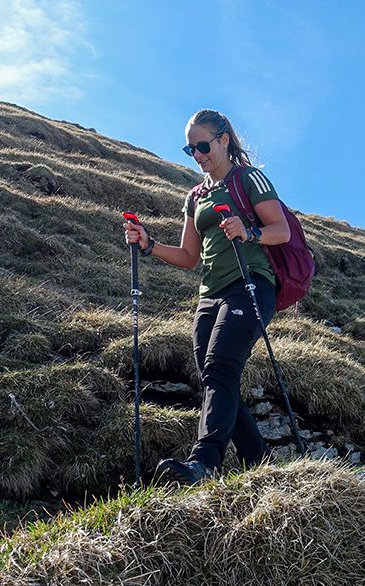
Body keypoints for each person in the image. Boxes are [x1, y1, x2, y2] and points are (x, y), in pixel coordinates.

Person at [123, 109, 290, 485]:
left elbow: (281, 231)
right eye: (189, 148)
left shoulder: (249, 179)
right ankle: (261, 463)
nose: (197, 155)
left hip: (251, 285)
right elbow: (188, 256)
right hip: (209, 295)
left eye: (202, 145)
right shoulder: (195, 196)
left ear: (224, 139)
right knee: (216, 377)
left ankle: (206, 463)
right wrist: (149, 245)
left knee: (219, 366)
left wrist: (249, 231)